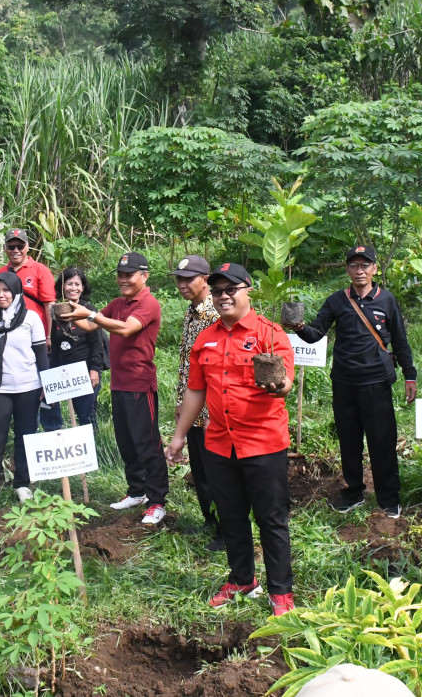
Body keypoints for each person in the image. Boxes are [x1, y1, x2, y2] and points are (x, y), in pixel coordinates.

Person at [166, 262, 296, 616]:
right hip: (219, 442)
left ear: (247, 291)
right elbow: (196, 390)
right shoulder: (206, 337)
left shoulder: (270, 334)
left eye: (231, 290)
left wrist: (277, 385)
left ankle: (280, 591)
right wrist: (178, 438)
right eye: (219, 291)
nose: (224, 296)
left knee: (271, 518)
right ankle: (242, 579)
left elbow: (286, 383)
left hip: (263, 443)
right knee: (232, 515)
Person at [288, 245, 417, 517]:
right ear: (347, 270)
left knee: (382, 439)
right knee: (349, 438)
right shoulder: (337, 300)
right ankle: (354, 491)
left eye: (365, 265)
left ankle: (388, 497)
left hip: (376, 381)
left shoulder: (387, 300)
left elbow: (401, 341)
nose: (359, 270)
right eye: (354, 266)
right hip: (344, 381)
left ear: (374, 269)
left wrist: (410, 375)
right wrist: (299, 327)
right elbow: (316, 334)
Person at [62, 251, 168, 525]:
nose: (123, 280)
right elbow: (89, 324)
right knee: (126, 441)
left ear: (144, 276)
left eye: (128, 275)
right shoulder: (118, 302)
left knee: (147, 444)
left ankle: (157, 501)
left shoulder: (148, 303)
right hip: (119, 384)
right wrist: (70, 314)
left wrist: (92, 314)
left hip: (140, 384)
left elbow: (124, 329)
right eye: (120, 275)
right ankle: (137, 490)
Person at [0, 270, 49, 513]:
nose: (1, 295)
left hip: (28, 386)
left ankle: (22, 484)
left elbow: (41, 354)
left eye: (6, 290)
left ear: (16, 292)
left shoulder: (31, 318)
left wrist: (46, 384)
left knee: (26, 436)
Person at [168, 255, 222, 550]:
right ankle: (210, 520)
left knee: (217, 469)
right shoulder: (192, 313)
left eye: (189, 279)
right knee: (200, 468)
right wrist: (181, 403)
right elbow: (188, 364)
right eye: (179, 279)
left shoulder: (215, 313)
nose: (182, 284)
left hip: (213, 407)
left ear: (206, 279)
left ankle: (227, 528)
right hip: (193, 407)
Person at [45, 267, 109, 431]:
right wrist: (51, 376)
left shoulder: (89, 310)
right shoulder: (56, 310)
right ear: (62, 286)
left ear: (83, 287)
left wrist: (95, 369)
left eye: (77, 284)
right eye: (69, 284)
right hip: (66, 373)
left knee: (86, 414)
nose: (73, 288)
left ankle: (94, 447)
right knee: (72, 413)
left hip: (85, 371)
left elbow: (97, 344)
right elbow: (56, 347)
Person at [0, 227, 57, 337]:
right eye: (11, 247)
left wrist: (50, 335)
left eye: (20, 246)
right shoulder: (0, 273)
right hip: (8, 334)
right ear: (5, 248)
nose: (15, 250)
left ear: (28, 247)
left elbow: (50, 305)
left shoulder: (41, 270)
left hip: (36, 333)